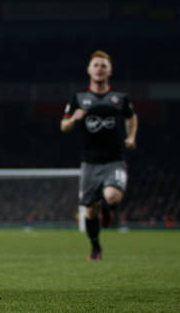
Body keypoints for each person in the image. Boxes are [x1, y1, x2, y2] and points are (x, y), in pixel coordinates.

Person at [61, 50, 137, 261]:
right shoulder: (78, 98)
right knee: (90, 212)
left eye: (104, 65)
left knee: (112, 196)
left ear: (110, 70)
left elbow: (132, 117)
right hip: (90, 163)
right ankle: (95, 248)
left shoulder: (120, 98)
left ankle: (108, 207)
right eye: (96, 65)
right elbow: (63, 125)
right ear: (89, 69)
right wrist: (74, 119)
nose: (100, 68)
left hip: (114, 160)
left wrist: (131, 136)